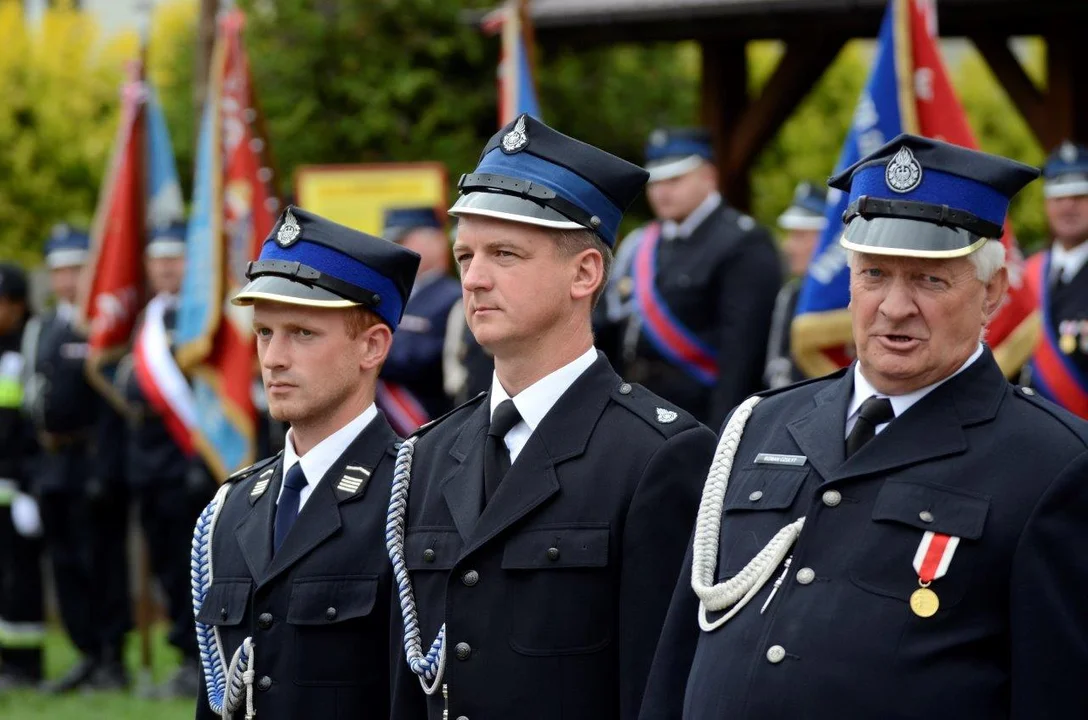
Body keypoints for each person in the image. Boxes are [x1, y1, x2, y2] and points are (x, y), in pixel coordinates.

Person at [640, 135, 1088, 720]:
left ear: (992, 294)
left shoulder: (1053, 463)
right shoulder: (760, 426)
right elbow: (679, 657)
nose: (894, 306)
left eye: (930, 280)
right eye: (874, 273)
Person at [388, 114, 718, 720]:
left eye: (505, 254)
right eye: (465, 255)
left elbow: (657, 690)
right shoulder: (428, 456)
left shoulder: (657, 456)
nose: (476, 278)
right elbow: (411, 687)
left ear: (584, 273)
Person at [191, 206, 421, 720]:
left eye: (302, 332)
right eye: (265, 332)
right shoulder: (232, 510)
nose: (272, 358)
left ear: (372, 346)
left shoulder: (415, 497)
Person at [597, 127, 782, 428]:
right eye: (655, 182)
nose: (661, 191)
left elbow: (742, 358)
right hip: (634, 409)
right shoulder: (640, 244)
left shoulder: (744, 243)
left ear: (708, 177)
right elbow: (606, 328)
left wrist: (721, 439)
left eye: (674, 179)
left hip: (698, 418)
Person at [24, 225, 130, 692]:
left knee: (102, 563)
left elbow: (114, 407)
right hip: (53, 465)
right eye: (59, 270)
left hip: (93, 460)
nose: (66, 279)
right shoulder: (42, 327)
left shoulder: (103, 326)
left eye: (75, 268)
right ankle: (85, 652)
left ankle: (111, 657)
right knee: (65, 565)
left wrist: (106, 468)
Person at [113, 222, 213, 698]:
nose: (166, 267)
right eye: (159, 260)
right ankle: (182, 656)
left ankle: (201, 660)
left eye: (175, 259)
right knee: (166, 570)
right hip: (148, 461)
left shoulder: (201, 315)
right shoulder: (146, 318)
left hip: (189, 461)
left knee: (194, 565)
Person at [0, 263, 45, 690]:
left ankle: (24, 665)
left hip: (19, 489)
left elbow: (31, 426)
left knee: (20, 580)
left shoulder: (26, 348)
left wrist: (31, 486)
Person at [378, 207, 462, 434]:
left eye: (404, 239)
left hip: (428, 424)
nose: (396, 248)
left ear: (436, 240)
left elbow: (421, 359)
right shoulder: (393, 293)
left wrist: (361, 350)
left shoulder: (454, 297)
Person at [1022, 141, 1088, 417]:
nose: (1068, 206)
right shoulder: (1026, 271)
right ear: (1047, 203)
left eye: (1079, 196)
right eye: (1059, 197)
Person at [764, 182, 828, 389]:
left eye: (800, 236)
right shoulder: (791, 294)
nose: (787, 246)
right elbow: (777, 367)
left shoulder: (850, 295)